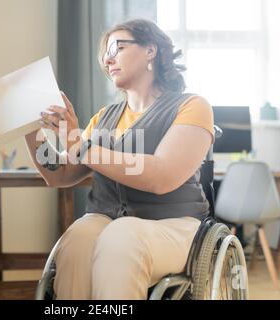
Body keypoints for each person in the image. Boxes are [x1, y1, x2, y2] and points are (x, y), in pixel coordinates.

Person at [24, 18, 214, 300]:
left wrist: (79, 142)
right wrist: (29, 127)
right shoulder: (103, 117)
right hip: (109, 220)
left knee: (122, 236)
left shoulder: (191, 106)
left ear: (151, 50)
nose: (108, 58)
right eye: (105, 54)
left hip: (174, 225)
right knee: (77, 240)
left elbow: (162, 175)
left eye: (117, 47)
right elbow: (60, 173)